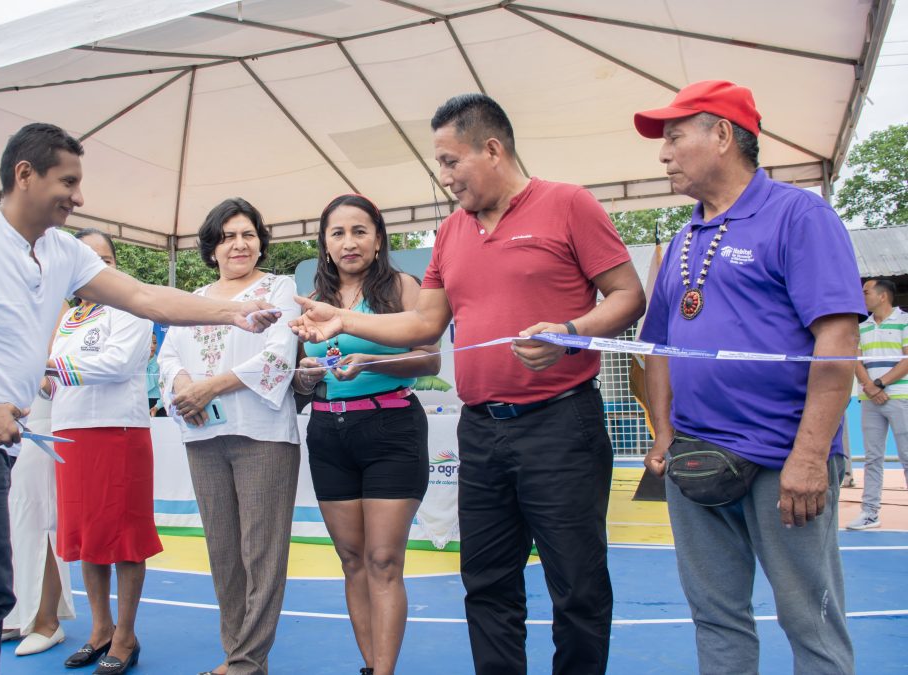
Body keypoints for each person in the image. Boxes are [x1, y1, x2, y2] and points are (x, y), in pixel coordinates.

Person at [0, 122, 279, 675]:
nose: (79, 196)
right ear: (25, 175)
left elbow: (144, 298)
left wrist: (233, 312)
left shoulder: (58, 252)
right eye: (68, 181)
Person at [291, 95, 644, 675]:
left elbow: (629, 296)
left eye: (451, 161)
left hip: (562, 424)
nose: (444, 177)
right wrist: (345, 319)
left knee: (576, 586)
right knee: (484, 584)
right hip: (481, 430)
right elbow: (424, 325)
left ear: (493, 149)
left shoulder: (568, 204)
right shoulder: (450, 234)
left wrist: (571, 332)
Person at [633, 80, 863, 674]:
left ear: (722, 135)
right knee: (715, 618)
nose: (663, 155)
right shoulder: (684, 237)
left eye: (674, 138)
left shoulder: (799, 215)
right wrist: (663, 431)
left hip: (783, 460)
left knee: (809, 619)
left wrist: (811, 456)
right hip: (696, 459)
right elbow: (654, 345)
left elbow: (836, 342)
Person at [292, 194, 440, 675]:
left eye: (360, 231)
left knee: (382, 560)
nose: (349, 242)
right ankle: (372, 666)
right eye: (338, 233)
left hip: (390, 427)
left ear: (378, 239)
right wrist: (306, 374)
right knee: (352, 559)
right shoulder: (314, 303)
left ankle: (385, 671)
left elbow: (429, 358)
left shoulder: (402, 286)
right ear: (325, 244)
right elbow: (299, 374)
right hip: (327, 432)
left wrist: (371, 361)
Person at [158, 198, 300, 675]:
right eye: (227, 236)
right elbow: (168, 356)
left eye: (247, 234)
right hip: (204, 436)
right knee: (223, 553)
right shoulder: (196, 297)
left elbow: (280, 355)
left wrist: (208, 388)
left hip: (262, 434)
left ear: (260, 242)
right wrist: (183, 389)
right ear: (211, 247)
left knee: (262, 553)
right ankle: (240, 658)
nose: (239, 245)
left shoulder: (279, 288)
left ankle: (244, 662)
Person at [45, 228, 159, 674]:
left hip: (117, 431)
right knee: (87, 537)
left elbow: (120, 364)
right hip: (70, 432)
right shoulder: (69, 316)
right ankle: (100, 629)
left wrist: (48, 366)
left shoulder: (132, 304)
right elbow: (51, 380)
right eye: (85, 258)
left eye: (105, 259)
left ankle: (126, 636)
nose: (96, 266)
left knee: (124, 538)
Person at [1, 393, 76, 656]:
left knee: (41, 519)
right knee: (17, 520)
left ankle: (47, 621)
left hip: (45, 421)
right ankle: (20, 615)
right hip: (13, 419)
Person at [848, 278, 908, 530]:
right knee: (873, 458)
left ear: (882, 296)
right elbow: (854, 360)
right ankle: (870, 512)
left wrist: (880, 384)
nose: (862, 296)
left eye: (866, 292)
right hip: (869, 400)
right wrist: (870, 388)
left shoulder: (905, 320)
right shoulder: (862, 328)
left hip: (901, 397)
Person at [146, 333, 166, 417]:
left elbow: (166, 388)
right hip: (138, 405)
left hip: (159, 406)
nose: (152, 346)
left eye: (154, 342)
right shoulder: (134, 364)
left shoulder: (162, 363)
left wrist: (157, 406)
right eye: (149, 343)